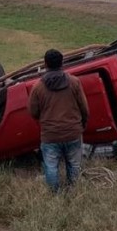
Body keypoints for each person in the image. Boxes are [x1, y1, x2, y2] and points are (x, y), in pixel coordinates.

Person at [28, 49, 89, 193]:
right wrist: (82, 124)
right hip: (73, 132)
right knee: (74, 164)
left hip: (50, 135)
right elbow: (84, 107)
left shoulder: (37, 87)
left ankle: (55, 194)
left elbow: (33, 112)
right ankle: (73, 190)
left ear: (45, 64)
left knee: (51, 167)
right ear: (62, 62)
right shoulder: (74, 82)